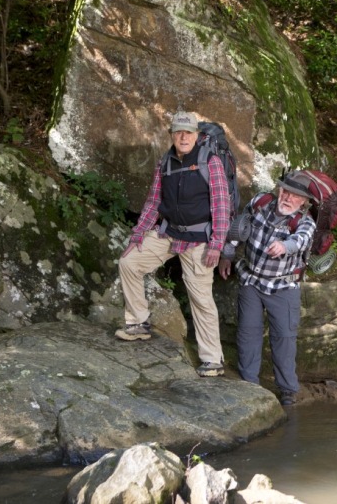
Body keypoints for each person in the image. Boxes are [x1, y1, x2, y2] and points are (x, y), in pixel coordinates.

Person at [116, 111, 231, 378]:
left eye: (188, 132)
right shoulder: (165, 162)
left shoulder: (210, 162)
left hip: (199, 240)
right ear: (171, 134)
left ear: (197, 135)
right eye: (178, 132)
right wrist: (138, 236)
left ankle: (212, 360)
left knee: (201, 299)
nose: (183, 137)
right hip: (168, 234)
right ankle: (138, 323)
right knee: (129, 263)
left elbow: (222, 206)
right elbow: (154, 202)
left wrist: (216, 244)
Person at [219, 171, 316, 406]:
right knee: (247, 332)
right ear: (278, 190)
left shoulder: (304, 223)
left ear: (303, 201)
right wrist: (227, 255)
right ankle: (249, 383)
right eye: (285, 191)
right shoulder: (261, 202)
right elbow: (238, 228)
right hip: (251, 280)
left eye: (295, 196)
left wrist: (284, 245)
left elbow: (300, 241)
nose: (287, 198)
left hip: (283, 286)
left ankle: (288, 390)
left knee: (283, 337)